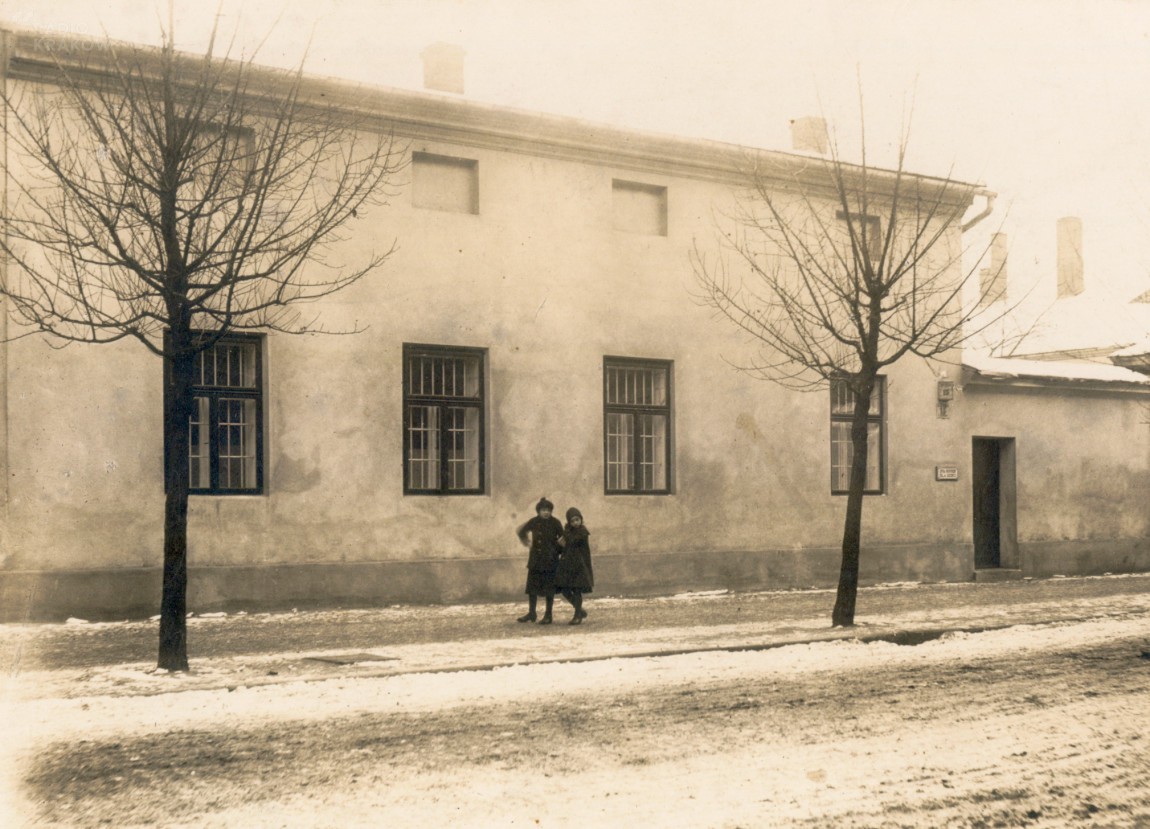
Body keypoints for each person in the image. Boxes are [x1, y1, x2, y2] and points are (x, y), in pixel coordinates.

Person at [515, 497, 564, 624]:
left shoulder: (555, 522)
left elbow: (564, 538)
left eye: (548, 510)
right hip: (536, 560)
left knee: (549, 588)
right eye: (543, 510)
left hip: (550, 561)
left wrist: (557, 550)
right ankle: (532, 613)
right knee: (532, 587)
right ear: (538, 511)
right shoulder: (534, 521)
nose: (546, 512)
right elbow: (521, 531)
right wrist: (527, 542)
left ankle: (548, 615)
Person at [555, 506, 593, 625]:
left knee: (577, 590)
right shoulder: (567, 532)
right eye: (572, 521)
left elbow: (573, 542)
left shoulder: (583, 532)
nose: (575, 522)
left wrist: (564, 541)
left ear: (581, 520)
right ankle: (579, 609)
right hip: (567, 566)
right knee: (564, 589)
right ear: (569, 522)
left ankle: (577, 616)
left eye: (577, 519)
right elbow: (562, 547)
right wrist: (560, 544)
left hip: (579, 566)